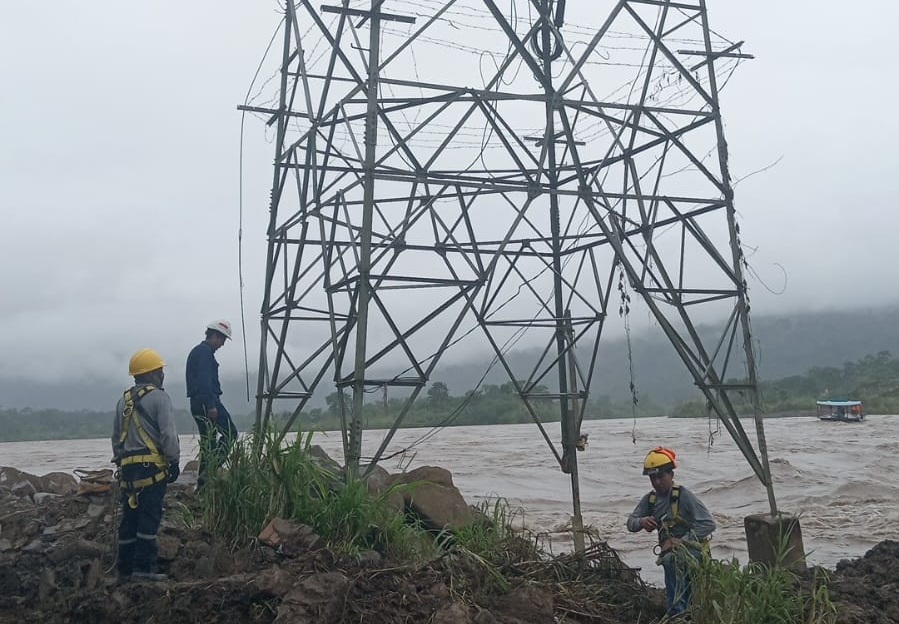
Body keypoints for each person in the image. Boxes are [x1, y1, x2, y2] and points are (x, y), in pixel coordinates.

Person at [112, 349, 180, 582]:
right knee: (149, 517)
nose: (162, 375)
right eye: (159, 371)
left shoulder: (124, 400)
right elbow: (168, 435)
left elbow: (116, 439)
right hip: (152, 469)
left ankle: (124, 569)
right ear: (150, 374)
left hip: (128, 470)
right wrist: (173, 461)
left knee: (130, 518)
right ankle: (144, 568)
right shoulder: (160, 398)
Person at [627, 446, 715, 618]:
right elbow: (630, 523)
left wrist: (681, 541)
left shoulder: (684, 496)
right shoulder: (650, 500)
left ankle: (678, 613)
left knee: (671, 560)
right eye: (653, 478)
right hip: (672, 553)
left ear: (671, 475)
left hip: (694, 550)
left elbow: (709, 524)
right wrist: (642, 521)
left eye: (661, 476)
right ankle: (681, 612)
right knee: (671, 560)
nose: (657, 482)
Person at [186, 319, 237, 490]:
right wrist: (211, 405)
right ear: (214, 336)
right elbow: (204, 381)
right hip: (206, 402)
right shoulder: (204, 353)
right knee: (231, 433)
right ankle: (208, 474)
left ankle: (203, 484)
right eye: (222, 340)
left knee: (209, 443)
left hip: (198, 402)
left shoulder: (199, 352)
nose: (222, 344)